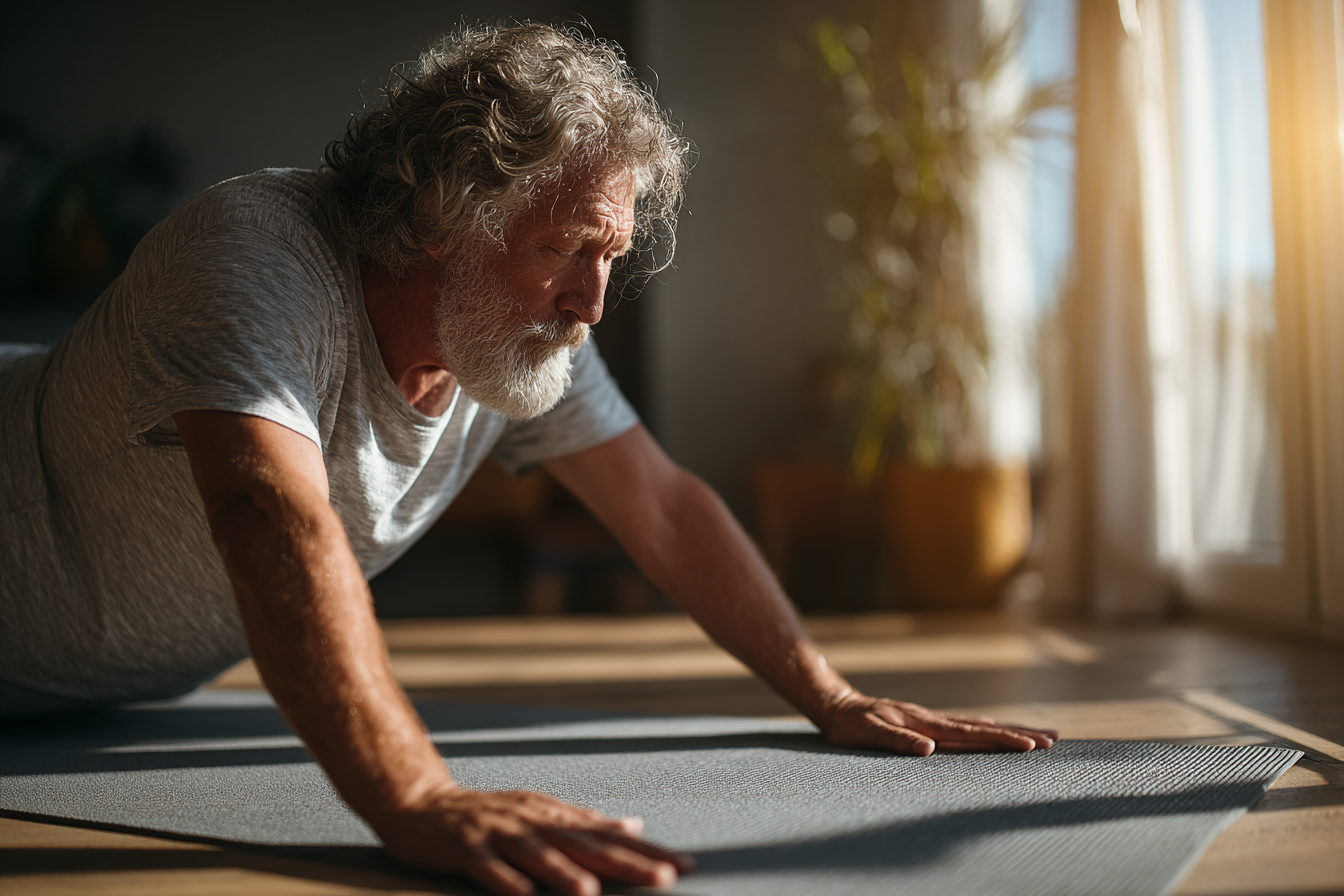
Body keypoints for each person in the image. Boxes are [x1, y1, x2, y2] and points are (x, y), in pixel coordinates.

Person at [0, 22, 1059, 896]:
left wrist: (828, 693)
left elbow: (662, 505)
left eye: (610, 255)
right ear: (440, 216)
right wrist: (416, 794)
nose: (591, 302)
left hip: (82, 694)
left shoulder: (512, 343)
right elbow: (269, 514)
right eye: (563, 247)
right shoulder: (256, 253)